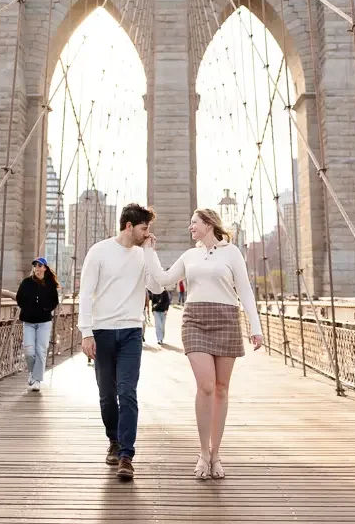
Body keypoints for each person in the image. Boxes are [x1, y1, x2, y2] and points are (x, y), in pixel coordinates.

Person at [142, 208, 263, 481]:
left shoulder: (232, 253)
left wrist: (256, 328)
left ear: (208, 224)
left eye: (194, 222)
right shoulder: (190, 255)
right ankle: (202, 453)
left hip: (226, 319)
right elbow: (161, 282)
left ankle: (216, 453)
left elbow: (244, 289)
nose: (190, 227)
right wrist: (149, 250)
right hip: (195, 320)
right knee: (206, 385)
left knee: (221, 389)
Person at [78, 203, 162, 481]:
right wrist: (86, 332)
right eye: (144, 228)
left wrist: (150, 252)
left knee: (127, 391)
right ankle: (113, 440)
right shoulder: (99, 251)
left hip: (130, 332)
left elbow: (158, 287)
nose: (147, 233)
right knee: (106, 396)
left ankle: (126, 454)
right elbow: (86, 292)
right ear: (129, 226)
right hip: (102, 331)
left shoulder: (143, 254)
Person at [16, 256, 60, 392]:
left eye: (40, 266)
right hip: (28, 321)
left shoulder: (50, 284)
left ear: (45, 268)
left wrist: (45, 308)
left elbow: (54, 301)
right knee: (29, 352)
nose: (37, 268)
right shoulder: (26, 282)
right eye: (35, 266)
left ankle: (37, 380)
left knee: (41, 351)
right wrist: (27, 307)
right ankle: (32, 372)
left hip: (44, 322)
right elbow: (19, 298)